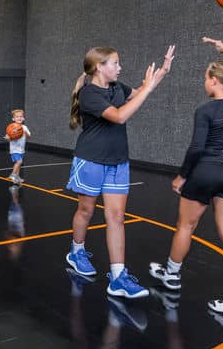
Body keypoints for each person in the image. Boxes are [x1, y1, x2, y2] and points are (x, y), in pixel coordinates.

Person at [149, 37, 223, 315]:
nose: (204, 82)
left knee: (185, 226)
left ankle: (171, 274)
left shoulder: (205, 110)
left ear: (213, 81)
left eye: (205, 78)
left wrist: (181, 176)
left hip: (204, 173)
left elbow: (197, 148)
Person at [64, 44, 176, 300]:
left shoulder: (117, 87)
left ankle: (117, 278)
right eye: (115, 63)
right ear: (98, 67)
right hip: (90, 160)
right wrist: (146, 88)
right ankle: (76, 252)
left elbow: (136, 95)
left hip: (118, 162)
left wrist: (160, 75)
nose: (120, 67)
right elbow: (119, 116)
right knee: (86, 210)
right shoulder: (89, 94)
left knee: (116, 217)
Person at [3, 109, 31, 184]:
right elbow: (8, 138)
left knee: (19, 164)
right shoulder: (11, 128)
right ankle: (13, 174)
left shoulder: (24, 127)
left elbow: (29, 136)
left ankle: (17, 177)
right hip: (14, 150)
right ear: (13, 119)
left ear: (23, 118)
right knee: (19, 161)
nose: (19, 118)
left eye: (21, 116)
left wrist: (25, 133)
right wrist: (8, 138)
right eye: (17, 117)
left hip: (21, 150)